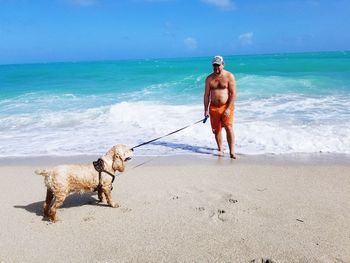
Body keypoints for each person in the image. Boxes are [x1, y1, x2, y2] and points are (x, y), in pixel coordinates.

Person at [204, 55, 237, 159]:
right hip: (213, 107)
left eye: (218, 66)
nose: (216, 68)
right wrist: (206, 110)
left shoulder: (229, 76)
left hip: (226, 106)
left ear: (223, 65)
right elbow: (206, 95)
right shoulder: (209, 78)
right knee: (216, 130)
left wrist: (228, 109)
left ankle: (232, 152)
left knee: (228, 127)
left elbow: (233, 94)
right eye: (214, 66)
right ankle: (220, 149)